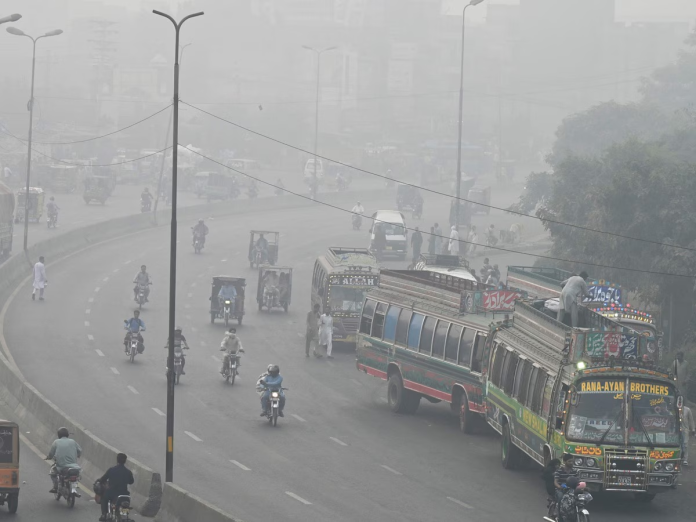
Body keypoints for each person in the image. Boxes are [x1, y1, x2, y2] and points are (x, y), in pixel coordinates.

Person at [97, 453, 134, 522]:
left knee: (104, 498)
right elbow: (131, 481)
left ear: (117, 460)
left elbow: (103, 479)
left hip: (112, 494)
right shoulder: (128, 472)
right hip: (125, 495)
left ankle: (104, 514)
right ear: (125, 461)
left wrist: (100, 481)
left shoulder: (111, 470)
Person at [46, 427, 82, 493]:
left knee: (53, 473)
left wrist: (49, 457)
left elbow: (51, 453)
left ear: (58, 435)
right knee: (77, 476)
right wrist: (78, 455)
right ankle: (74, 488)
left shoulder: (56, 442)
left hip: (61, 466)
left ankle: (55, 487)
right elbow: (79, 450)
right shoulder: (73, 441)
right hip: (74, 466)